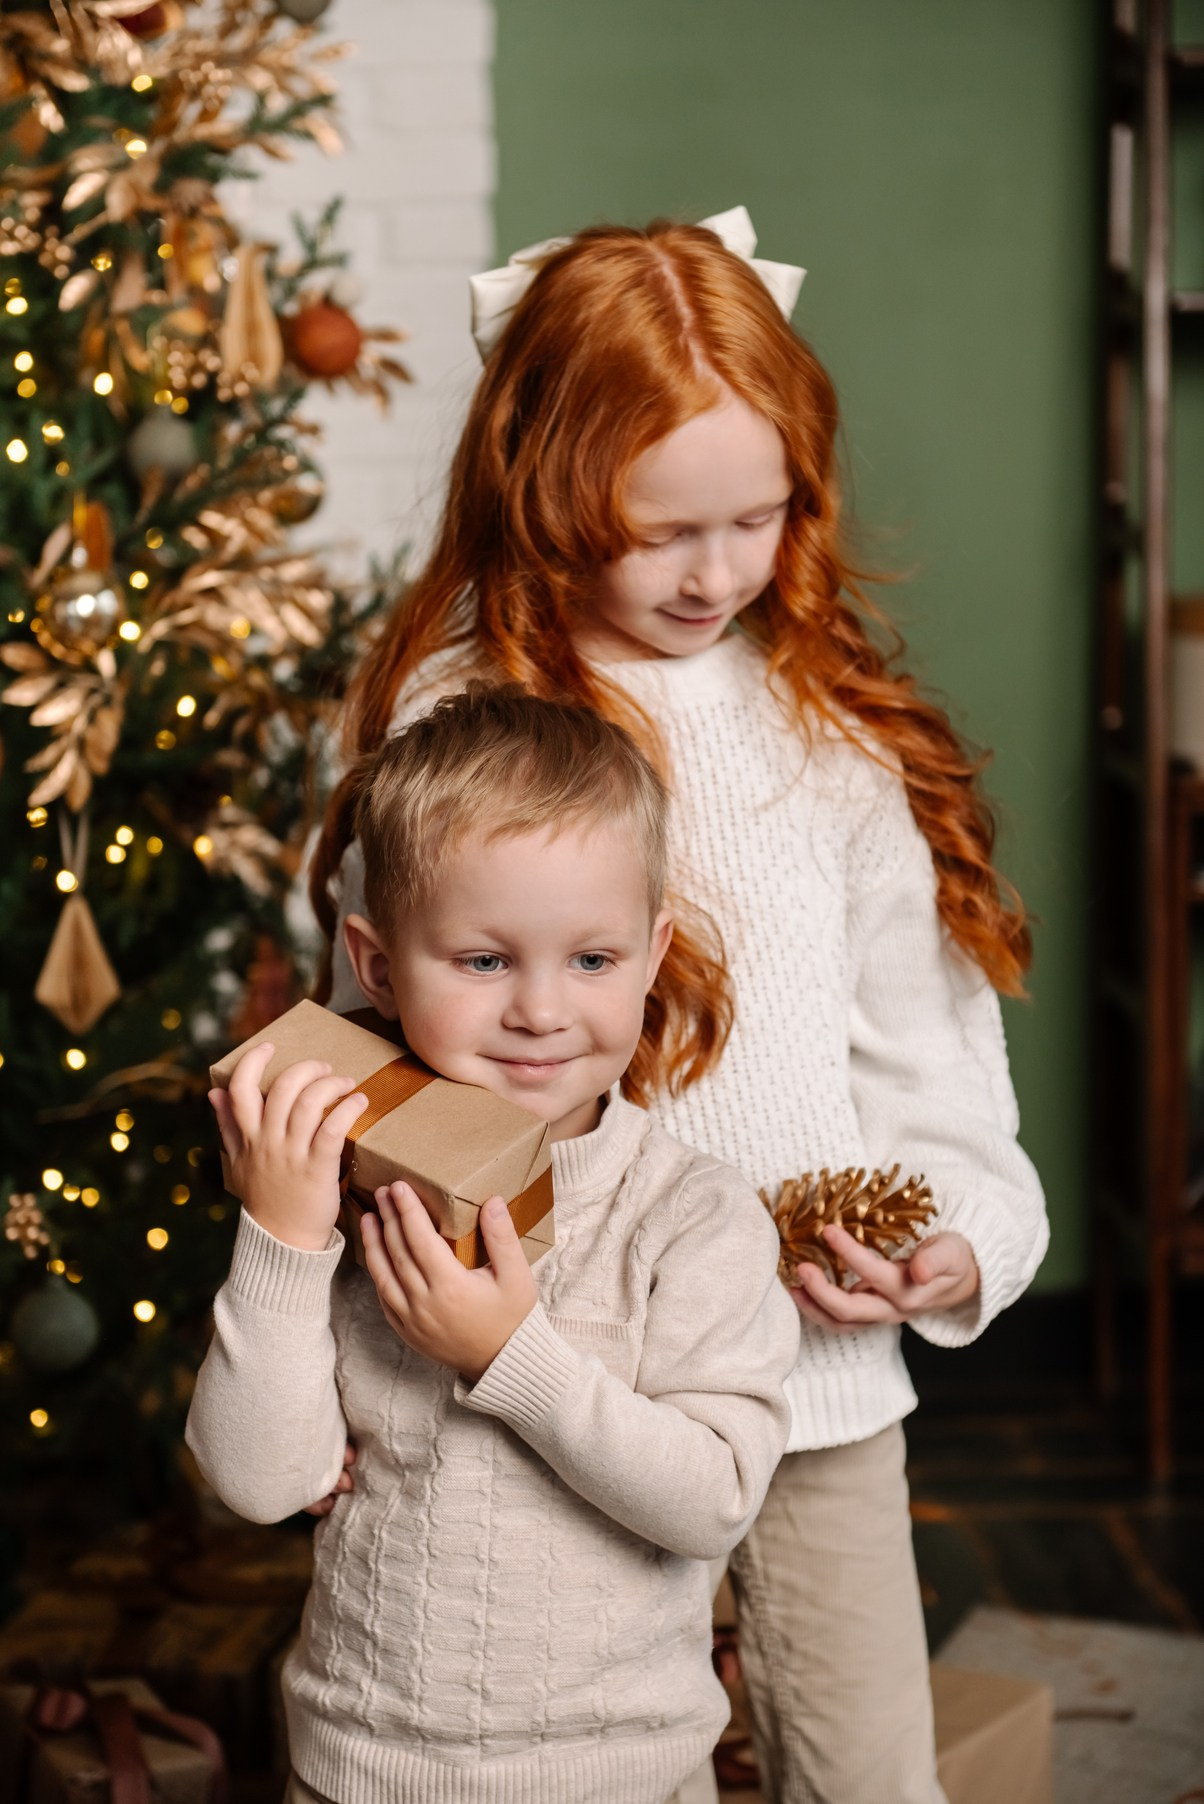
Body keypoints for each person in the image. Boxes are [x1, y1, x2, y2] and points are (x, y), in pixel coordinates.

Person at [307, 208, 1050, 1804]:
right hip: (517, 1378)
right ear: (545, 489)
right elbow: (361, 1066)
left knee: (866, 1774)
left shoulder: (829, 735)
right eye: (660, 534)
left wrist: (952, 1241)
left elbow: (929, 1070)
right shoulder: (460, 714)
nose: (717, 576)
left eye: (759, 520)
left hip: (810, 1391)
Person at [186, 684, 800, 1804]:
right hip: (362, 1765)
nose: (539, 1009)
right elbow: (258, 1480)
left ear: (654, 951)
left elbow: (711, 1495)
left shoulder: (693, 1217)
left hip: (617, 1774)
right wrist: (281, 1232)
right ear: (375, 967)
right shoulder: (346, 1183)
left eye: (593, 960)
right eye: (482, 961)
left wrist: (507, 1355)